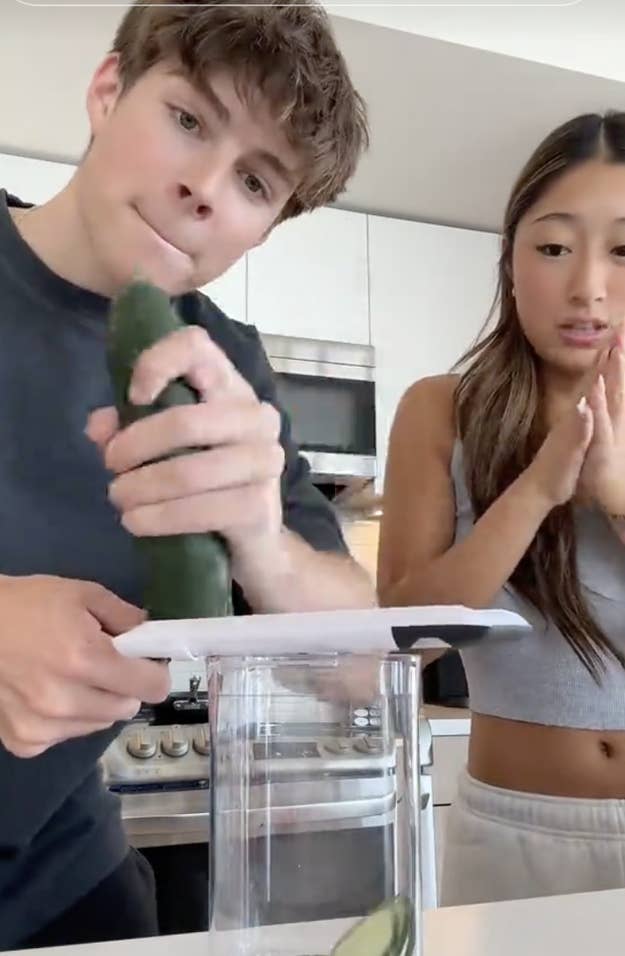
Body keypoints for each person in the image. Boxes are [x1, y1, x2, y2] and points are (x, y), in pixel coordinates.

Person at [0, 0, 375, 948]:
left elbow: (361, 667)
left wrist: (263, 544)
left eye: (254, 180)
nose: (204, 188)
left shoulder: (226, 367)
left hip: (59, 876)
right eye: (188, 119)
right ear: (107, 90)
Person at [378, 111, 625, 908]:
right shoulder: (441, 410)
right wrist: (536, 489)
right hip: (512, 835)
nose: (587, 287)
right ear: (510, 262)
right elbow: (406, 641)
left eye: (622, 251)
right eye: (552, 248)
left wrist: (614, 496)